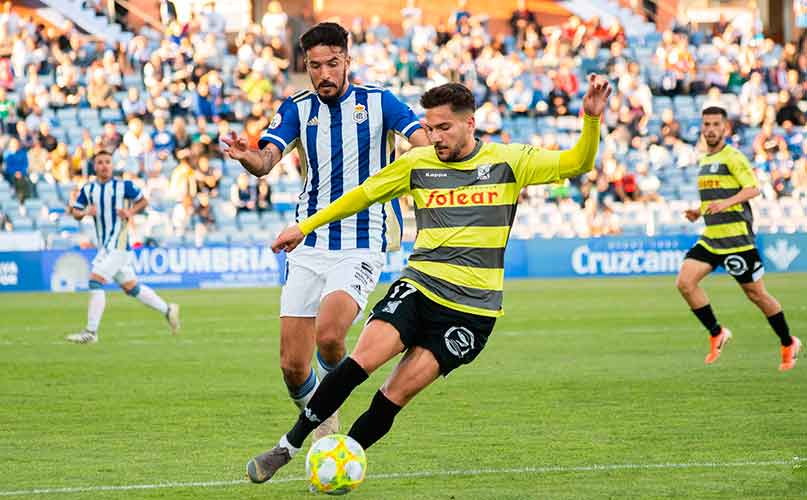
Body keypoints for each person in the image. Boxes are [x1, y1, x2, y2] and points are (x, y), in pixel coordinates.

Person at [244, 76, 611, 483]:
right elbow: (361, 196)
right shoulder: (418, 165)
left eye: (444, 128)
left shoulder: (510, 161)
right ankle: (287, 447)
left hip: (471, 313)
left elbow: (578, 162)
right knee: (357, 364)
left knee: (392, 396)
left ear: (470, 124)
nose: (434, 137)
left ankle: (341, 461)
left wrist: (591, 120)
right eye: (430, 128)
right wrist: (304, 227)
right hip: (419, 287)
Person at [222, 22, 429, 440]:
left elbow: (421, 142)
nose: (323, 74)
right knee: (292, 366)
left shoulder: (379, 102)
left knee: (331, 335)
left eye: (332, 64)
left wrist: (437, 151)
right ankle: (324, 413)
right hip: (307, 240)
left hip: (362, 239)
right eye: (314, 66)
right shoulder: (297, 108)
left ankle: (329, 399)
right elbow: (265, 162)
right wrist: (247, 157)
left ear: (347, 61)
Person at [675, 106, 801, 371]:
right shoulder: (704, 160)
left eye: (715, 124)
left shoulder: (733, 157)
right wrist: (698, 211)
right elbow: (713, 197)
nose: (710, 129)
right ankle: (716, 332)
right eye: (706, 124)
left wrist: (726, 203)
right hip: (711, 238)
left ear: (725, 128)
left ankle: (788, 341)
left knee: (756, 295)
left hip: (737, 241)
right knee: (685, 283)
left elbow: (753, 189)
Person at [66, 151, 180, 344]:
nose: (104, 166)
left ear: (112, 165)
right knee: (131, 288)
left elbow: (143, 201)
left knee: (95, 281)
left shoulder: (123, 186)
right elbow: (75, 212)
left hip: (119, 244)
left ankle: (91, 332)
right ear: (95, 166)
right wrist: (86, 212)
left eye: (107, 162)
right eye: (100, 162)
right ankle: (168, 310)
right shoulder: (89, 189)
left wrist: (130, 211)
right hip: (105, 245)